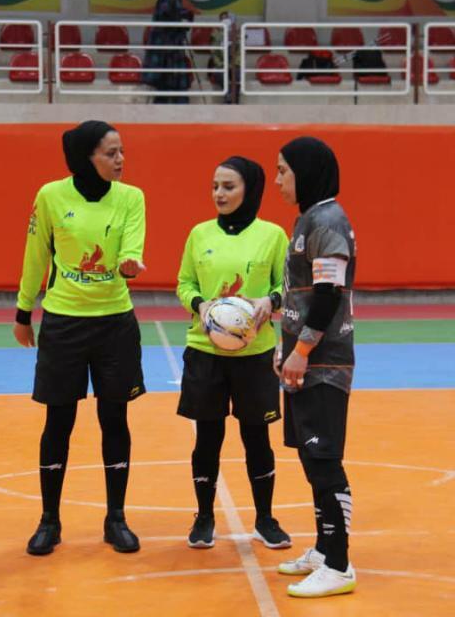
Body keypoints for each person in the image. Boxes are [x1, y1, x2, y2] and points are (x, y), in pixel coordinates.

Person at [13, 120, 146, 556]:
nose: (120, 159)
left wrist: (129, 263)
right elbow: (36, 255)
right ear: (86, 158)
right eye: (111, 153)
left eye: (122, 151)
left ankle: (116, 519)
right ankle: (49, 521)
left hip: (115, 324)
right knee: (58, 423)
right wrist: (23, 311)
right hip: (63, 323)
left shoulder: (131, 197)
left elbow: (132, 245)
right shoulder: (51, 196)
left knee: (115, 420)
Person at [176, 156, 291, 550]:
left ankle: (265, 519)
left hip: (255, 354)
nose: (219, 194)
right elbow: (184, 283)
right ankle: (204, 517)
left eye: (228, 186)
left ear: (250, 190)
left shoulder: (272, 235)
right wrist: (200, 304)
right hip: (205, 351)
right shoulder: (199, 234)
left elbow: (288, 285)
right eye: (215, 186)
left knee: (257, 437)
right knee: (207, 437)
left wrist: (271, 300)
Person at [274, 136, 357, 598]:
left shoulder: (328, 221)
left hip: (325, 364)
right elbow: (300, 295)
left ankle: (340, 564)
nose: (278, 180)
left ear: (305, 172)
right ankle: (325, 551)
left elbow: (328, 296)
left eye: (283, 170)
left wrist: (302, 350)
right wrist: (284, 347)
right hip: (304, 361)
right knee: (311, 458)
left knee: (325, 461)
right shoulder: (308, 219)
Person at [143, 0, 193, 104]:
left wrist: (184, 16)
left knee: (174, 79)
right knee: (164, 79)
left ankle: (178, 104)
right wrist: (182, 15)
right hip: (164, 47)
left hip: (173, 45)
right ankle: (162, 105)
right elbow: (167, 15)